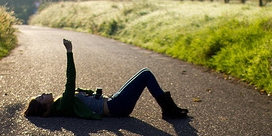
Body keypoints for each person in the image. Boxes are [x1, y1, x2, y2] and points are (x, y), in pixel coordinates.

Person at [24, 39, 188, 119]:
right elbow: (70, 80)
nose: (44, 93)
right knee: (145, 74)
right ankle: (169, 110)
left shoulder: (61, 104)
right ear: (44, 106)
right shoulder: (62, 106)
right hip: (116, 107)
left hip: (113, 102)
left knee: (145, 73)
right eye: (42, 96)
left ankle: (169, 109)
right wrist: (69, 52)